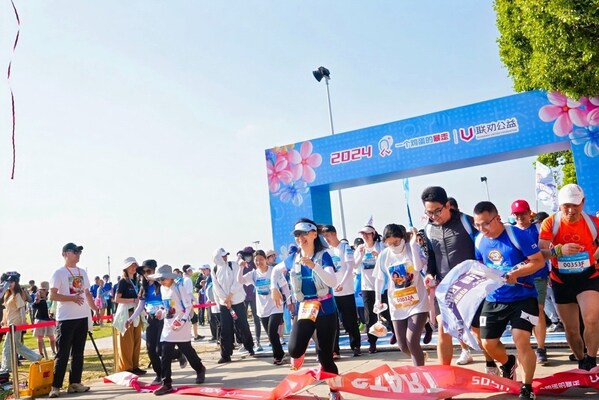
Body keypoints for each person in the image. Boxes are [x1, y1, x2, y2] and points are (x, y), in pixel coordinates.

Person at [473, 201, 545, 400]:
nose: (482, 229)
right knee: (487, 343)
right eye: (477, 225)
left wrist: (517, 273)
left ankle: (527, 387)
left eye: (486, 223)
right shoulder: (479, 240)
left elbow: (538, 261)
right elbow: (480, 265)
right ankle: (508, 363)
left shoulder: (517, 235)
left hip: (524, 296)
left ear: (497, 218)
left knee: (521, 339)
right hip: (495, 298)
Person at [421, 186, 497, 373]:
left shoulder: (466, 222)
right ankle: (444, 375)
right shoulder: (428, 229)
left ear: (448, 205)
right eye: (429, 212)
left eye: (437, 211)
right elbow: (432, 255)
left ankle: (491, 364)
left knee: (477, 330)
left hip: (471, 286)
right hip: (445, 287)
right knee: (443, 328)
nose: (434, 216)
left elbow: (485, 245)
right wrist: (430, 273)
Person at [272, 218, 341, 400]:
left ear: (314, 234)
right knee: (294, 350)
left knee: (326, 358)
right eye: (297, 234)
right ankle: (305, 342)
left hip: (325, 310)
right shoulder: (293, 258)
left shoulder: (324, 256)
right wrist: (273, 288)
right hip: (305, 309)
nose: (300, 238)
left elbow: (333, 281)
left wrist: (314, 266)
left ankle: (335, 392)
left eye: (304, 233)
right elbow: (275, 271)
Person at [538, 184, 599, 371]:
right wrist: (558, 250)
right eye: (566, 205)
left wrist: (594, 257)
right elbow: (540, 253)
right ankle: (581, 360)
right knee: (571, 329)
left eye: (575, 205)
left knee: (592, 319)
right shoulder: (550, 223)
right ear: (559, 204)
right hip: (562, 281)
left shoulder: (593, 222)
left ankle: (591, 360)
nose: (571, 210)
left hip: (588, 277)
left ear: (583, 203)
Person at [374, 224, 430, 366]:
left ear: (403, 238)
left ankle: (420, 373)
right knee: (403, 345)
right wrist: (377, 299)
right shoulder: (384, 255)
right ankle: (420, 356)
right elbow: (379, 279)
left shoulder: (412, 248)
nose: (394, 246)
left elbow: (418, 267)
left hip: (417, 302)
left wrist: (413, 245)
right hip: (397, 305)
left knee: (412, 341)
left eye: (396, 242)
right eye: (389, 243)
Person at [49, 243, 98, 398]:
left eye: (79, 252)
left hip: (82, 317)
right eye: (75, 252)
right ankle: (56, 386)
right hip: (66, 318)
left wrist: (95, 308)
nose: (78, 254)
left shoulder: (82, 272)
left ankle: (75, 383)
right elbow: (52, 295)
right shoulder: (59, 273)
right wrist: (71, 298)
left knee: (78, 352)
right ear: (65, 254)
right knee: (62, 353)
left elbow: (87, 293)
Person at [148, 265, 206, 395]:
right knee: (165, 352)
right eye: (159, 279)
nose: (161, 282)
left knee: (187, 351)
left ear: (170, 277)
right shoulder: (162, 289)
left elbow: (188, 306)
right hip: (168, 326)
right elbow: (166, 307)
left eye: (163, 279)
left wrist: (182, 321)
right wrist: (161, 312)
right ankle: (166, 383)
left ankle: (199, 368)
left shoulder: (179, 287)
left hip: (182, 325)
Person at [128, 260, 188, 386]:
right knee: (150, 349)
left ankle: (178, 354)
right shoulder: (144, 287)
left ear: (154, 270)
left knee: (160, 349)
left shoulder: (162, 284)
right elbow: (141, 306)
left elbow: (170, 301)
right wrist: (131, 319)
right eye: (143, 272)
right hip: (151, 319)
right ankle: (159, 374)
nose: (146, 274)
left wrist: (164, 311)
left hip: (163, 319)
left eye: (148, 271)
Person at [511, 199, 550, 365]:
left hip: (538, 276)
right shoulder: (510, 231)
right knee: (522, 313)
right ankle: (524, 347)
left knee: (538, 310)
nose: (520, 217)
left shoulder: (538, 229)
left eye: (523, 213)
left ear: (529, 213)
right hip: (519, 279)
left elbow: (547, 252)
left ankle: (540, 348)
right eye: (516, 214)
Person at [242, 250, 290, 365]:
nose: (259, 262)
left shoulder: (274, 271)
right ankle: (281, 353)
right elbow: (240, 280)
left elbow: (284, 285)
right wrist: (240, 267)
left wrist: (289, 301)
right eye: (256, 260)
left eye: (261, 259)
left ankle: (278, 356)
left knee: (272, 331)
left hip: (276, 306)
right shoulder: (253, 274)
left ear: (266, 259)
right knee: (271, 334)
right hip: (262, 309)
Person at [321, 224, 362, 357]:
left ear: (334, 234)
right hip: (332, 292)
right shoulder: (326, 251)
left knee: (350, 320)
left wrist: (342, 283)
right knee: (333, 322)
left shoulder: (344, 248)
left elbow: (350, 267)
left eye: (327, 235)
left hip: (346, 290)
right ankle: (334, 349)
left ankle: (355, 346)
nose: (326, 239)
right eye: (324, 236)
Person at [354, 224, 392, 354]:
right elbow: (354, 266)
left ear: (373, 234)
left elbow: (388, 263)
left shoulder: (380, 246)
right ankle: (372, 343)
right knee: (369, 315)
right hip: (367, 287)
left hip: (382, 286)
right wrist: (360, 255)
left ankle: (396, 333)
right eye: (363, 234)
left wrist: (378, 256)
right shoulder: (360, 248)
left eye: (367, 234)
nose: (365, 236)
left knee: (387, 312)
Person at [212, 248, 254, 364]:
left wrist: (230, 295)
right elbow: (216, 287)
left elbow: (238, 282)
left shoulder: (233, 265)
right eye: (223, 256)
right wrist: (225, 299)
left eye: (226, 255)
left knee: (242, 325)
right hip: (225, 304)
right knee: (225, 329)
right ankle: (226, 354)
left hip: (237, 301)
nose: (225, 257)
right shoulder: (214, 270)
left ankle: (249, 347)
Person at [0, 272, 41, 372]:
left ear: (16, 282)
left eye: (12, 282)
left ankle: (6, 367)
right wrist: (3, 321)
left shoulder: (17, 294)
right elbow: (7, 310)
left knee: (8, 346)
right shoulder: (8, 295)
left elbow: (22, 309)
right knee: (16, 346)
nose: (9, 284)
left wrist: (23, 323)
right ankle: (35, 357)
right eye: (8, 282)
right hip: (10, 323)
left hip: (16, 324)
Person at [114, 257, 146, 375]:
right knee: (127, 341)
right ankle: (127, 367)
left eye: (135, 265)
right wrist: (133, 300)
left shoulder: (138, 281)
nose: (133, 267)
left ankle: (135, 366)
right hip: (126, 313)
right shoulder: (123, 281)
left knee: (136, 340)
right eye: (131, 265)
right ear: (126, 268)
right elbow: (117, 299)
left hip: (137, 313)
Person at [237, 246, 262, 351]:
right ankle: (245, 342)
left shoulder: (255, 263)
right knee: (243, 320)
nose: (248, 257)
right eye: (246, 255)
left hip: (254, 295)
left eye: (249, 254)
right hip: (243, 296)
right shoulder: (241, 263)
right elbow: (238, 258)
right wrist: (240, 256)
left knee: (256, 318)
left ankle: (258, 341)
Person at [32, 281, 57, 357]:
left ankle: (53, 351)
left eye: (43, 290)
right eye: (40, 290)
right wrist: (37, 299)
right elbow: (34, 306)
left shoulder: (50, 298)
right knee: (39, 337)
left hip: (49, 320)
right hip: (40, 319)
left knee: (51, 336)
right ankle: (40, 353)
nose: (41, 291)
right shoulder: (39, 299)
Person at [182, 265, 203, 341]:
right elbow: (189, 292)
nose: (192, 272)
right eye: (191, 270)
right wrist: (196, 300)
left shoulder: (182, 279)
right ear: (188, 271)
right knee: (190, 318)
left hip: (183, 302)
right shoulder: (188, 280)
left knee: (189, 318)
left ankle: (192, 334)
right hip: (188, 302)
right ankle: (191, 335)